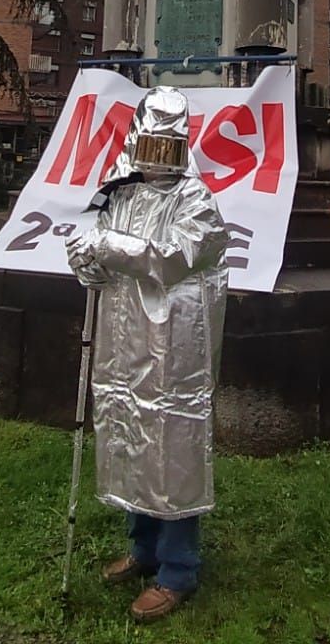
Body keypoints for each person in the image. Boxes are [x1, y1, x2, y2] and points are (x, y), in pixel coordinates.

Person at [65, 87, 231, 624]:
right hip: (123, 339)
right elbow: (95, 248)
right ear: (137, 140)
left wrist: (102, 247)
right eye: (151, 145)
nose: (158, 158)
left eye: (169, 146)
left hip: (176, 347)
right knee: (129, 431)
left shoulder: (197, 202)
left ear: (182, 145)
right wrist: (84, 258)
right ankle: (143, 548)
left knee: (172, 445)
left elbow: (168, 258)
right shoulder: (118, 192)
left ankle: (178, 568)